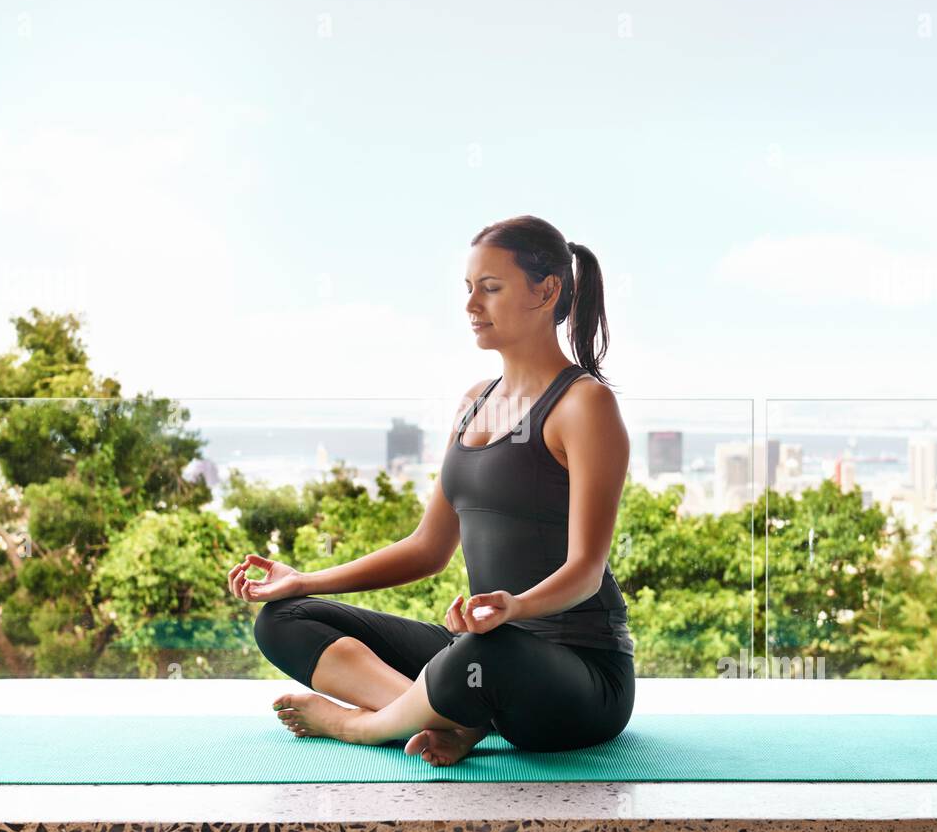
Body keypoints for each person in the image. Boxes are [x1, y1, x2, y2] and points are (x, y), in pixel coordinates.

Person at [226, 214, 635, 766]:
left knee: (485, 655)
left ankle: (363, 727)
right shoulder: (473, 403)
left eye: (490, 289)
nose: (471, 306)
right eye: (468, 290)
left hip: (577, 674)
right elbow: (428, 548)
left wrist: (514, 608)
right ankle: (447, 717)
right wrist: (304, 580)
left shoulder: (585, 405)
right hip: (480, 649)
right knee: (285, 619)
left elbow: (587, 570)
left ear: (547, 291)